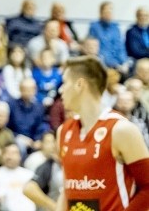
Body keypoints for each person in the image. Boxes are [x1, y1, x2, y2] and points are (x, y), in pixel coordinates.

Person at [57, 55, 149, 210]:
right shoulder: (63, 131)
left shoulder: (121, 129)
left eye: (65, 83)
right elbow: (66, 191)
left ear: (80, 85)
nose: (60, 90)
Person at [88, 1, 129, 75]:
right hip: (104, 62)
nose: (109, 13)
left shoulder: (116, 27)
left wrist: (124, 62)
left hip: (118, 63)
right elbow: (96, 49)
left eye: (111, 10)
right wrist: (115, 64)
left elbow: (120, 47)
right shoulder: (94, 27)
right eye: (106, 11)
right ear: (101, 12)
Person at [0, 143, 34, 211]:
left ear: (20, 156)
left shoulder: (29, 174)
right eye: (7, 153)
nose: (10, 156)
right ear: (2, 155)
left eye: (13, 153)